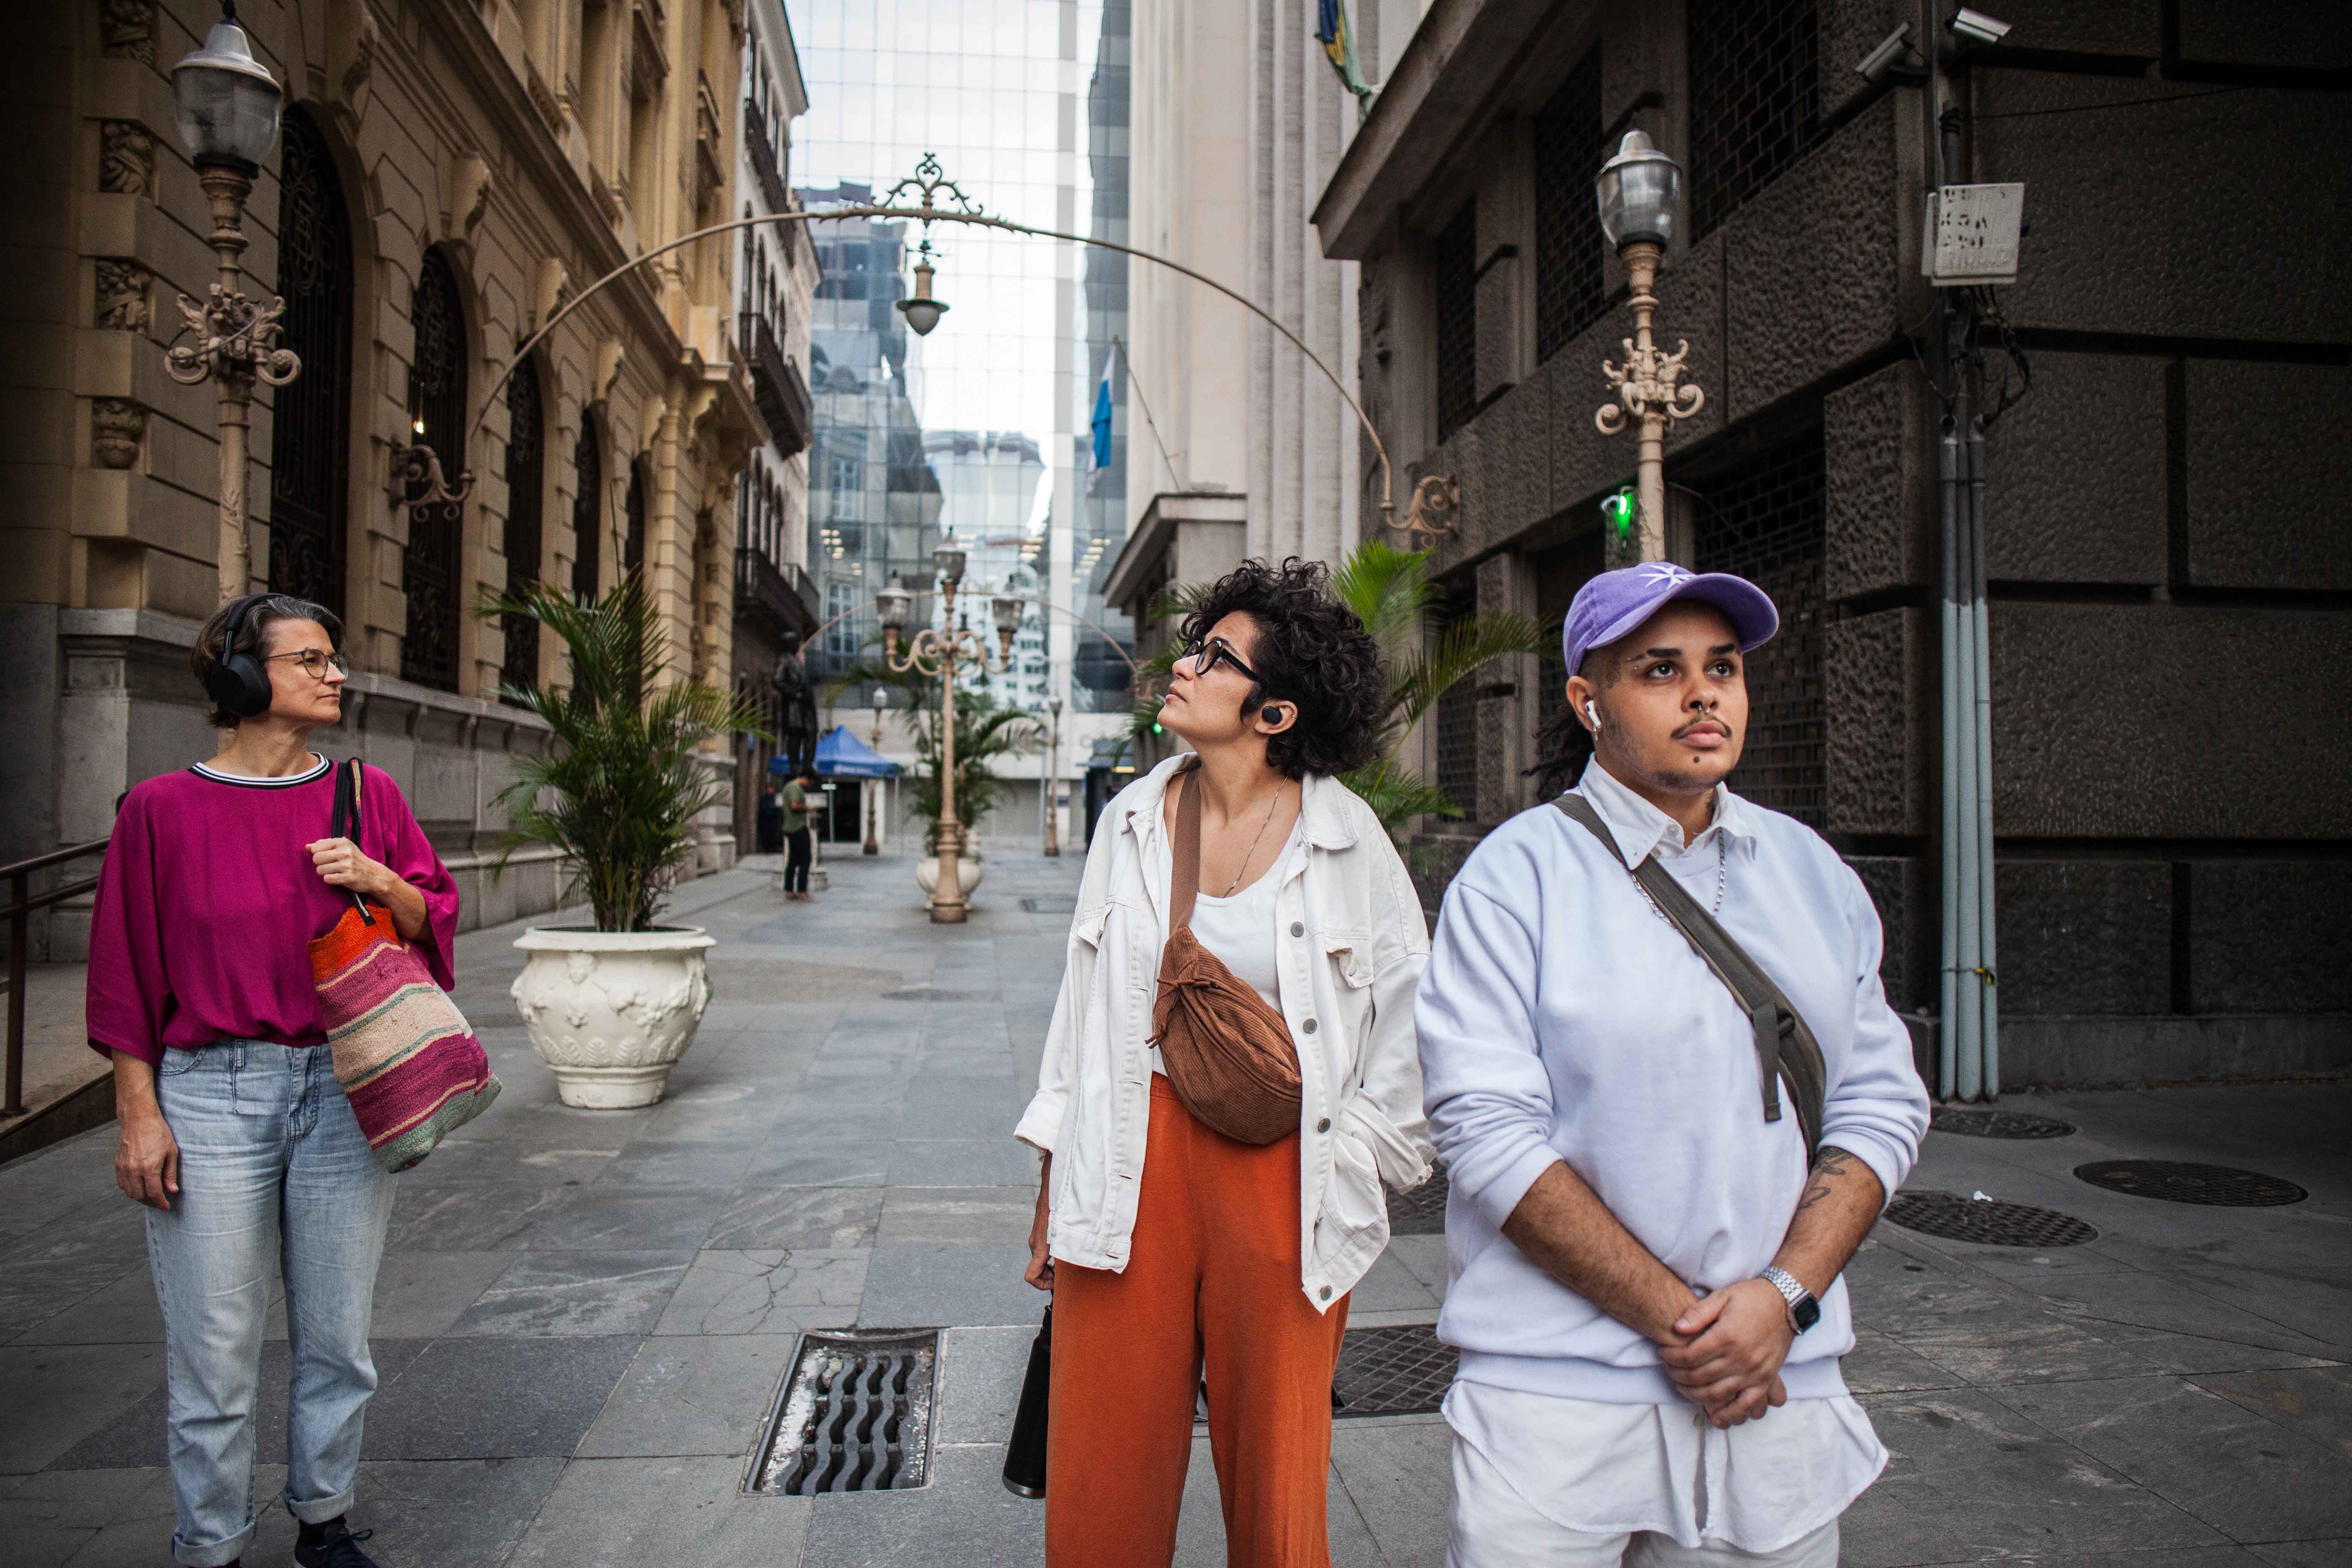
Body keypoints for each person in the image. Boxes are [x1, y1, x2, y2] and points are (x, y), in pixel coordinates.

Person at [1416, 563, 1931, 1567]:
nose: (1703, 694)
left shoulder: (1812, 873)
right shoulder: (1516, 876)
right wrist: (1694, 1327)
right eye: (1661, 669)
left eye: (1722, 667)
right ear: (1588, 700)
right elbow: (1485, 1131)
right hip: (1555, 1398)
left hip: (1773, 1388)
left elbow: (1880, 1102)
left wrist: (1781, 1299)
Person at [1016, 558, 1433, 1568]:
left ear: (1274, 712)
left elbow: (1412, 1027)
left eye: (1214, 657)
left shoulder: (1348, 841)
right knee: (1103, 1470)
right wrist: (1053, 1181)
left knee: (1278, 1486)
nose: (1184, 665)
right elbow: (1081, 1008)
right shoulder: (1129, 822)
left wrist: (1353, 1164)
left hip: (1286, 1173)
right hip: (1134, 1155)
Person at [88, 593, 462, 1568]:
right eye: (311, 659)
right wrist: (139, 1114)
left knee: (338, 1336)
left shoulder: (368, 795)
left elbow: (433, 913)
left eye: (334, 659)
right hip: (207, 1093)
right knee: (213, 1349)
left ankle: (323, 1520)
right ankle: (210, 1543)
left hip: (342, 1089)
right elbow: (125, 971)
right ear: (243, 677)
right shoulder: (161, 810)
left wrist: (378, 879)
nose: (336, 675)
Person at [779, 766, 816, 900]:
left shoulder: (789, 786)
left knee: (793, 860)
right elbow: (794, 806)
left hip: (790, 828)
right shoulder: (795, 788)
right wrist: (808, 808)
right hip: (798, 827)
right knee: (806, 859)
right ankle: (802, 891)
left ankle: (789, 890)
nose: (810, 786)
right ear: (807, 779)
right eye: (811, 782)